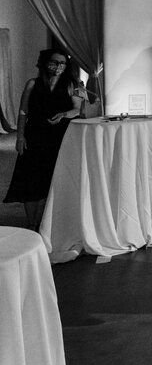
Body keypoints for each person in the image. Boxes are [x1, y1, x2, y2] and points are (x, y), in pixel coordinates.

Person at [3, 48, 84, 230]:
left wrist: (64, 114)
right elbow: (23, 112)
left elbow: (78, 109)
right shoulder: (32, 83)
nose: (58, 67)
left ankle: (47, 223)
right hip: (34, 135)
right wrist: (20, 137)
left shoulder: (74, 83)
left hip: (59, 136)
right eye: (54, 62)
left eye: (62, 63)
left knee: (52, 178)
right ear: (45, 63)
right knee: (30, 179)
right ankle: (32, 223)